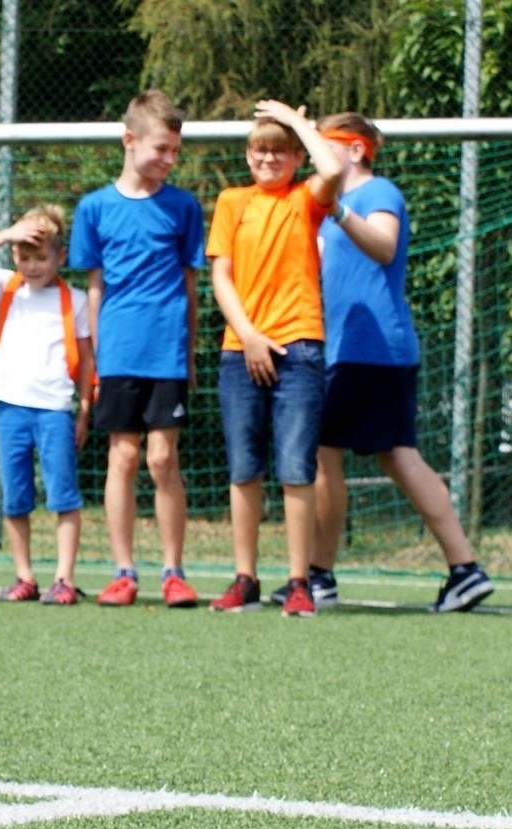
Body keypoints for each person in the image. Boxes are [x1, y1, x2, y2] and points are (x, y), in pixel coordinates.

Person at [294, 112, 494, 613]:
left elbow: (383, 247)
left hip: (371, 349)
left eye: (325, 143)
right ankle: (462, 569)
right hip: (350, 350)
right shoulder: (326, 204)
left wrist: (338, 210)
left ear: (356, 150)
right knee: (381, 455)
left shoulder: (378, 192)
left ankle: (321, 576)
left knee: (343, 455)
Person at [69, 89, 207, 608]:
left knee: (162, 458)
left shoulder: (183, 207)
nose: (169, 159)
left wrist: (189, 352)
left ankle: (174, 572)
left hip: (167, 350)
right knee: (123, 457)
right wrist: (97, 359)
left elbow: (190, 286)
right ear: (129, 140)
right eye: (161, 149)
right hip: (119, 354)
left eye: (176, 151)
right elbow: (95, 289)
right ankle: (124, 572)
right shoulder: (94, 208)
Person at [205, 100, 343, 617]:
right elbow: (221, 276)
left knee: (295, 468)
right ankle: (245, 579)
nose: (269, 159)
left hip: (300, 348)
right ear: (247, 156)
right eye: (260, 151)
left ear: (295, 157)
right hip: (241, 350)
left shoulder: (305, 198)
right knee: (244, 467)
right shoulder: (232, 201)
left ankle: (298, 582)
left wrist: (297, 122)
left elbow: (332, 169)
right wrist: (248, 335)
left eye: (280, 151)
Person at [0, 205, 96, 606]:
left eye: (41, 257)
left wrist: (84, 409)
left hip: (55, 410)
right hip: (10, 407)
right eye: (24, 256)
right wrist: (6, 234)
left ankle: (64, 579)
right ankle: (24, 577)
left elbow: (87, 361)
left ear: (60, 256)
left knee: (63, 495)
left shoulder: (76, 301)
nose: (32, 266)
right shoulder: (5, 285)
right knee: (15, 497)